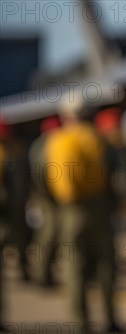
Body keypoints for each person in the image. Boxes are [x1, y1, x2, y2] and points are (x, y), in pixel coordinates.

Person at [44, 100, 121, 333]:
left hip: (72, 209)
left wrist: (65, 202)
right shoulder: (100, 138)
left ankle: (81, 323)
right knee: (106, 265)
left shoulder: (58, 140)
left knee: (74, 265)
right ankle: (110, 318)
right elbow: (116, 174)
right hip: (100, 207)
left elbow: (59, 181)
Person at [28, 116, 62, 286]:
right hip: (48, 198)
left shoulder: (41, 144)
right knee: (49, 233)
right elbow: (42, 174)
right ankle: (42, 275)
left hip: (48, 196)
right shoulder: (45, 146)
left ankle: (44, 273)